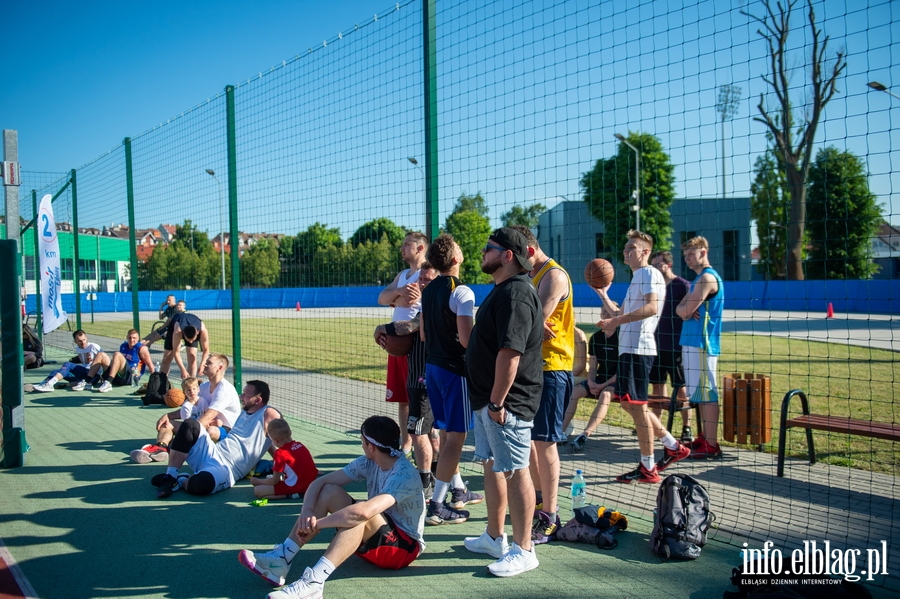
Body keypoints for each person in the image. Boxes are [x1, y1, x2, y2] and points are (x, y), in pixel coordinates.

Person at [237, 416, 426, 598]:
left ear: (371, 446)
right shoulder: (370, 461)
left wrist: (317, 524)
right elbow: (318, 484)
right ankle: (283, 557)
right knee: (329, 490)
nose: (361, 445)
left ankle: (314, 583)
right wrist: (307, 513)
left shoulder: (404, 474)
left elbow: (364, 512)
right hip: (381, 533)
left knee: (359, 513)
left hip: (403, 549)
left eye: (362, 441)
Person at [464, 227, 543, 577]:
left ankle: (524, 549)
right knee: (493, 466)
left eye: (488, 248)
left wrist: (497, 402)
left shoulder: (517, 295)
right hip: (488, 401)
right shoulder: (502, 291)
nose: (483, 253)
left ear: (507, 255)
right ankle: (495, 537)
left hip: (506, 404)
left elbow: (510, 354)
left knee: (515, 470)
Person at [596, 230, 691, 484]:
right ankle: (672, 446)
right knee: (630, 404)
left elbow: (651, 307)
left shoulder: (650, 273)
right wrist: (603, 294)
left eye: (632, 248)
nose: (626, 251)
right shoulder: (637, 277)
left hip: (639, 349)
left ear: (645, 252)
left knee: (637, 407)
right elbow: (620, 312)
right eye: (625, 247)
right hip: (629, 349)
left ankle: (648, 467)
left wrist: (616, 320)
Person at [511, 225, 574, 544]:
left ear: (531, 251)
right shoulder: (530, 277)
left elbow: (529, 321)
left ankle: (551, 514)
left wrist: (530, 320)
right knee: (532, 441)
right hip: (532, 367)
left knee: (545, 442)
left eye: (520, 256)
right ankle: (537, 501)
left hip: (552, 369)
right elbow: (526, 321)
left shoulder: (554, 276)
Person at [419, 234, 481, 525]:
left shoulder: (429, 290)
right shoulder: (462, 291)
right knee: (456, 437)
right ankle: (437, 505)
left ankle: (458, 490)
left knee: (446, 434)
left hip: (432, 367)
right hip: (455, 371)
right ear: (456, 258)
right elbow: (468, 340)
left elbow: (422, 334)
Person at [374, 263, 441, 498]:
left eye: (428, 280)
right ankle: (443, 480)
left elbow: (409, 326)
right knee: (430, 431)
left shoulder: (434, 304)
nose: (422, 283)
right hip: (422, 374)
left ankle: (425, 485)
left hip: (426, 376)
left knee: (422, 431)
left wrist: (383, 327)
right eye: (421, 279)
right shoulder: (434, 300)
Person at [154, 378, 278, 498]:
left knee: (201, 485)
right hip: (212, 452)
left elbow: (277, 437)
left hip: (227, 469)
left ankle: (181, 480)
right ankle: (170, 477)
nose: (241, 396)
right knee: (190, 425)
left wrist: (282, 465)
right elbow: (266, 440)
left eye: (246, 394)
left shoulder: (269, 413)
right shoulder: (244, 412)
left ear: (258, 400)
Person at [378, 231, 429, 456]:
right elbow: (382, 298)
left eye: (407, 244)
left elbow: (414, 302)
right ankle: (406, 444)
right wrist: (398, 293)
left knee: (418, 396)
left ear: (420, 248)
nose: (402, 248)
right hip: (396, 342)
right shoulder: (403, 275)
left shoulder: (428, 273)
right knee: (401, 398)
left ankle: (426, 441)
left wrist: (394, 299)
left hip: (414, 343)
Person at [677, 235, 725, 459]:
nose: (687, 258)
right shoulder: (697, 280)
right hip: (691, 342)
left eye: (691, 253)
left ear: (703, 252)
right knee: (699, 392)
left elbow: (684, 311)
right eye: (685, 254)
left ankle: (712, 444)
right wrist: (685, 307)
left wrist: (685, 307)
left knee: (708, 392)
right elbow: (680, 309)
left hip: (702, 344)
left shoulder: (707, 279)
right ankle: (705, 436)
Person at [562, 302, 620, 452]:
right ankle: (560, 432)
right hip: (600, 379)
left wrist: (601, 386)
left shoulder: (623, 337)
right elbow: (592, 365)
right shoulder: (596, 337)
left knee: (606, 395)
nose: (605, 316)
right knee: (574, 392)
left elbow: (622, 371)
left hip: (617, 381)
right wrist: (590, 380)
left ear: (617, 315)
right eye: (603, 313)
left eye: (608, 313)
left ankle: (585, 434)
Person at [129, 377, 227, 463]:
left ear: (198, 389)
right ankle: (161, 447)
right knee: (166, 424)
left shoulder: (204, 400)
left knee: (218, 422)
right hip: (192, 428)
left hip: (204, 427)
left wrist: (210, 423)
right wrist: (168, 415)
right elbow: (187, 424)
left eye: (193, 389)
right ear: (184, 392)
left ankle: (173, 447)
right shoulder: (186, 406)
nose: (192, 392)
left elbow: (208, 415)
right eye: (188, 390)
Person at [649, 251, 692, 443]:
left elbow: (693, 307)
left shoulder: (682, 285)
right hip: (655, 345)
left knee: (680, 387)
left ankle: (686, 428)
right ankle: (657, 427)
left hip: (676, 346)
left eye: (659, 265)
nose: (656, 269)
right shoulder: (654, 287)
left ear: (669, 264)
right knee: (658, 386)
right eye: (653, 266)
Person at [250, 418, 318, 500]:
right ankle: (297, 492)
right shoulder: (300, 445)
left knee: (257, 491)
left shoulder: (280, 453)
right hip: (312, 484)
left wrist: (258, 481)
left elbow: (275, 481)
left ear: (276, 440)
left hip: (296, 486)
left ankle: (291, 495)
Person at [85, 329, 155, 393]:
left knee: (117, 354)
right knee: (100, 354)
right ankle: (87, 382)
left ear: (138, 338)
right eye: (130, 338)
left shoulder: (142, 349)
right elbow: (117, 362)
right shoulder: (123, 346)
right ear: (127, 337)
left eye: (134, 338)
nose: (131, 340)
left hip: (131, 377)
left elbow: (150, 365)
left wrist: (154, 381)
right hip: (118, 376)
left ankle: (108, 382)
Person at [31, 330, 102, 392]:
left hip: (93, 376)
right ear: (75, 341)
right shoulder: (78, 349)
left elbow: (104, 359)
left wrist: (104, 376)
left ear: (86, 338)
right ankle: (44, 384)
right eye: (80, 341)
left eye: (84, 340)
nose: (83, 342)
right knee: (55, 372)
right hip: (83, 375)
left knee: (68, 364)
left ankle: (50, 384)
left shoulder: (94, 346)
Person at [161, 307, 209, 379]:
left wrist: (203, 364)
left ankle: (191, 383)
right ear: (183, 333)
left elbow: (206, 350)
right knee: (167, 358)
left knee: (192, 358)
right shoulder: (178, 331)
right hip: (175, 325)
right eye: (188, 340)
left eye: (193, 340)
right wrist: (183, 370)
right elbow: (176, 353)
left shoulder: (202, 330)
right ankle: (162, 381)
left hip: (192, 323)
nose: (191, 342)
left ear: (197, 333)